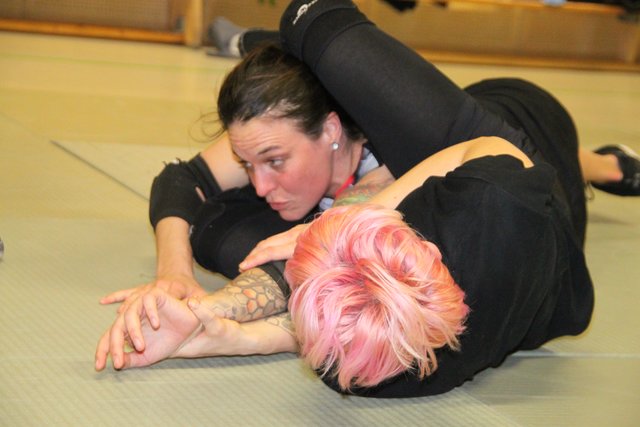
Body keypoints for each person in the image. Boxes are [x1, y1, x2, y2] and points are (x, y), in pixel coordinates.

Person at [96, 0, 638, 396]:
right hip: (484, 125)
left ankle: (596, 164)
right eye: (247, 164)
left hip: (516, 138)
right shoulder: (276, 131)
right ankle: (601, 163)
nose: (259, 183)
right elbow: (180, 182)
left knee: (546, 160)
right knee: (219, 233)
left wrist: (225, 315)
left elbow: (495, 153)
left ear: (330, 131)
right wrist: (176, 275)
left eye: (275, 161)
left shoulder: (396, 163)